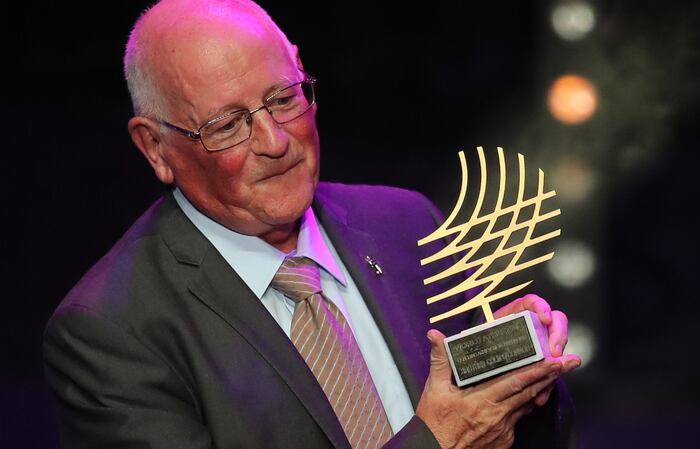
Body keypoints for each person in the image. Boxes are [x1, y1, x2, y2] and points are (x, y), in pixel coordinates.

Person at [43, 1, 582, 448]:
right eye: (228, 125)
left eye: (283, 98)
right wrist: (438, 439)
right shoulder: (113, 331)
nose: (276, 142)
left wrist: (521, 383)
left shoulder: (406, 223)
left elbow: (500, 430)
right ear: (155, 147)